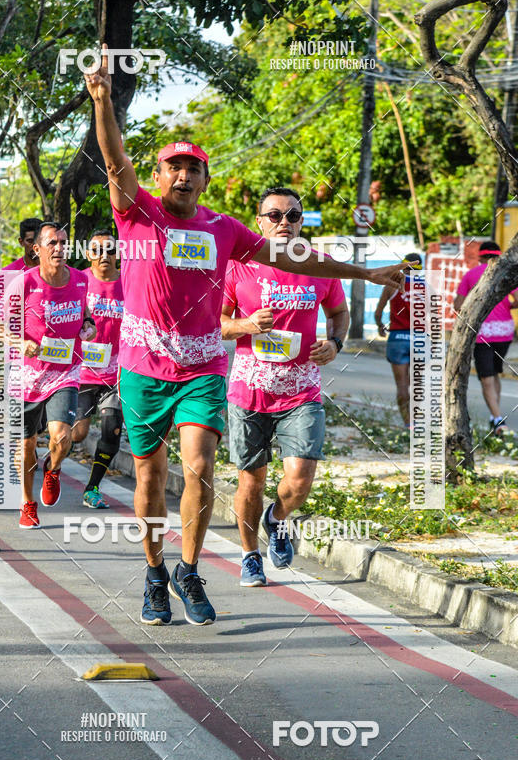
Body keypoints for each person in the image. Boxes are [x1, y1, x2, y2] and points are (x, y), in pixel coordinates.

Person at [85, 45, 404, 627]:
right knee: (152, 475)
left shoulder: (223, 228)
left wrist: (364, 273)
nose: (184, 175)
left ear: (205, 179)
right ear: (158, 178)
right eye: (173, 167)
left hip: (203, 368)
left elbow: (294, 256)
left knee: (200, 469)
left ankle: (189, 570)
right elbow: (112, 160)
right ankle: (155, 576)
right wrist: (104, 99)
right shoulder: (137, 213)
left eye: (194, 168)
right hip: (141, 368)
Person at [222, 187, 349, 585]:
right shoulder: (237, 266)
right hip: (249, 391)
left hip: (302, 390)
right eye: (274, 215)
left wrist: (335, 342)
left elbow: (340, 312)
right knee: (252, 480)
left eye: (292, 216)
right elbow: (216, 323)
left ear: (301, 223)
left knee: (299, 478)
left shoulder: (319, 265)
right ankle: (249, 556)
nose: (284, 223)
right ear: (258, 221)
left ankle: (276, 518)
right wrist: (246, 325)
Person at [1, 221, 96, 529]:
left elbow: (86, 316)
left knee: (62, 436)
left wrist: (89, 326)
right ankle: (27, 503)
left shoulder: (81, 280)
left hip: (64, 372)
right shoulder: (24, 283)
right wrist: (20, 342)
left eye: (63, 242)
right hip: (27, 376)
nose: (59, 248)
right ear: (37, 249)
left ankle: (52, 469)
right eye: (52, 243)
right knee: (26, 445)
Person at [71, 230, 124, 508]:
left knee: (111, 429)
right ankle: (51, 464)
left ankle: (92, 488)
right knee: (78, 433)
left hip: (117, 376)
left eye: (110, 250)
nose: (104, 256)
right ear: (88, 255)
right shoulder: (78, 282)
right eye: (97, 250)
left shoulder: (130, 282)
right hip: (81, 373)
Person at [454, 241, 518, 435]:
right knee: (495, 373)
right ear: (498, 257)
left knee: (486, 377)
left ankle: (498, 419)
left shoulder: (470, 275)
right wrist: (506, 306)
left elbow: (458, 305)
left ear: (480, 256)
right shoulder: (506, 275)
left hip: (482, 333)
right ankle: (494, 417)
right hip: (505, 331)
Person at [374, 252, 423, 426]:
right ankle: (419, 422)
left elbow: (378, 312)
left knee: (402, 385)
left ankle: (408, 423)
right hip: (420, 339)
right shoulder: (427, 287)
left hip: (397, 338)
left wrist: (380, 326)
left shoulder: (392, 286)